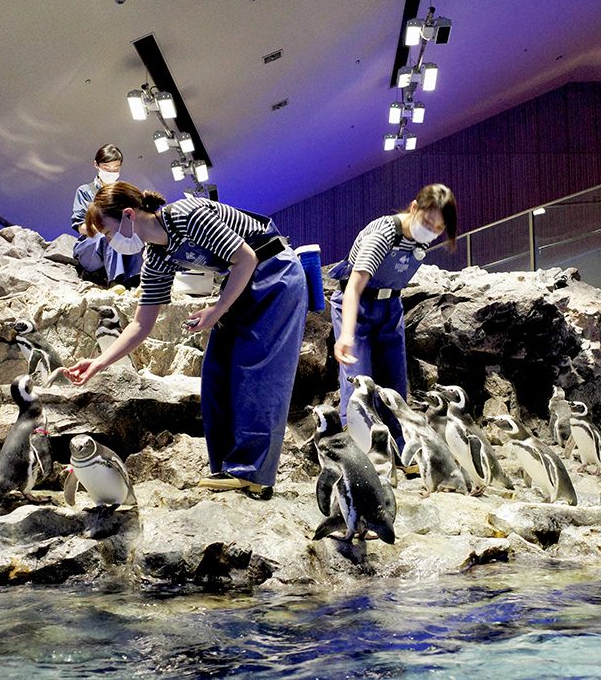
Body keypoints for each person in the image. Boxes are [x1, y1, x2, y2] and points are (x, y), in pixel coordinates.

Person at [64, 183, 308, 498]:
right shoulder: (157, 257)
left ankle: (252, 472)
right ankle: (227, 467)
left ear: (128, 215)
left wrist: (218, 309)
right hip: (240, 283)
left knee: (258, 372)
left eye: (108, 233)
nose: (110, 243)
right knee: (217, 371)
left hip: (275, 273)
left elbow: (245, 258)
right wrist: (98, 363)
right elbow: (141, 324)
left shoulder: (185, 214)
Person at [330, 184, 457, 445]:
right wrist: (346, 335)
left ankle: (400, 449)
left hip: (391, 307)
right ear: (414, 208)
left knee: (394, 387)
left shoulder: (421, 241)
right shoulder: (383, 235)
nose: (431, 231)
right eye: (427, 222)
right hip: (358, 306)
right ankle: (360, 453)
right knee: (359, 385)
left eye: (438, 228)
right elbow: (353, 288)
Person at [70, 145, 143, 287]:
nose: (111, 172)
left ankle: (135, 280)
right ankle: (115, 283)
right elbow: (81, 227)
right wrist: (106, 229)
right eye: (107, 168)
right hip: (92, 248)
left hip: (121, 246)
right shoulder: (85, 191)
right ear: (96, 165)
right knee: (109, 236)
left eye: (115, 169)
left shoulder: (123, 193)